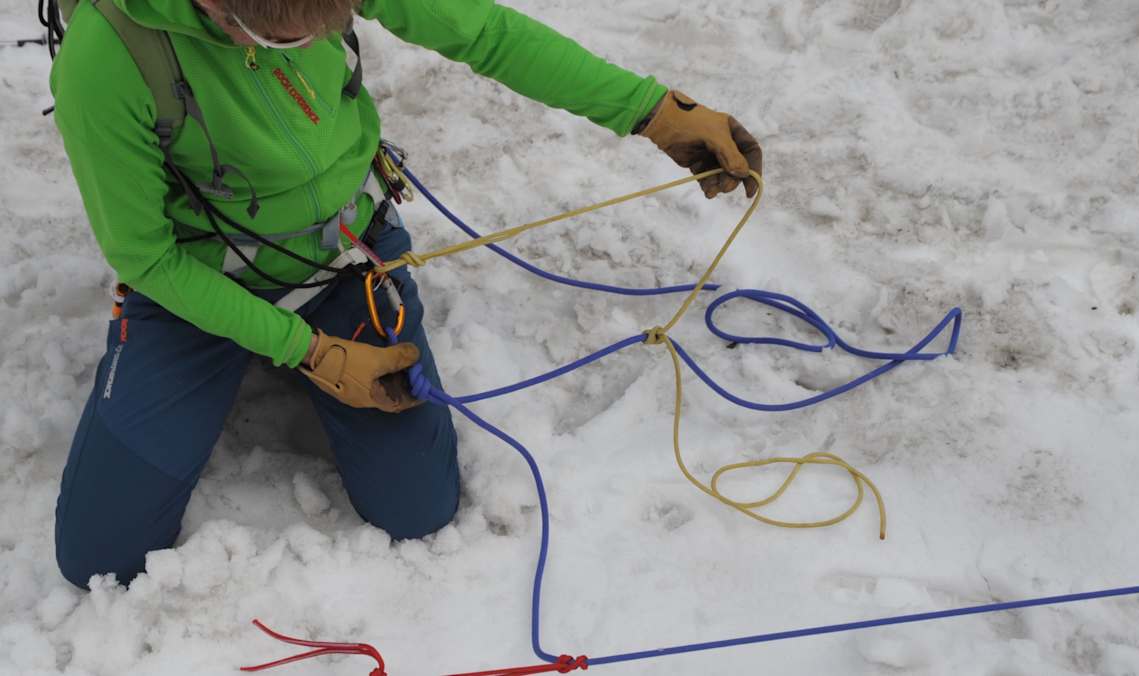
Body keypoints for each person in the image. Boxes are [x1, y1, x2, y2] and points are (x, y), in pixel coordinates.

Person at [50, 0, 763, 590]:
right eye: (275, 38)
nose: (299, 48)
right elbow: (147, 258)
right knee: (99, 560)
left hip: (343, 258)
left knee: (417, 511)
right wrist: (308, 352)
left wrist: (651, 111)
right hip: (199, 286)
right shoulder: (106, 58)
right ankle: (252, 359)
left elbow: (485, 32)